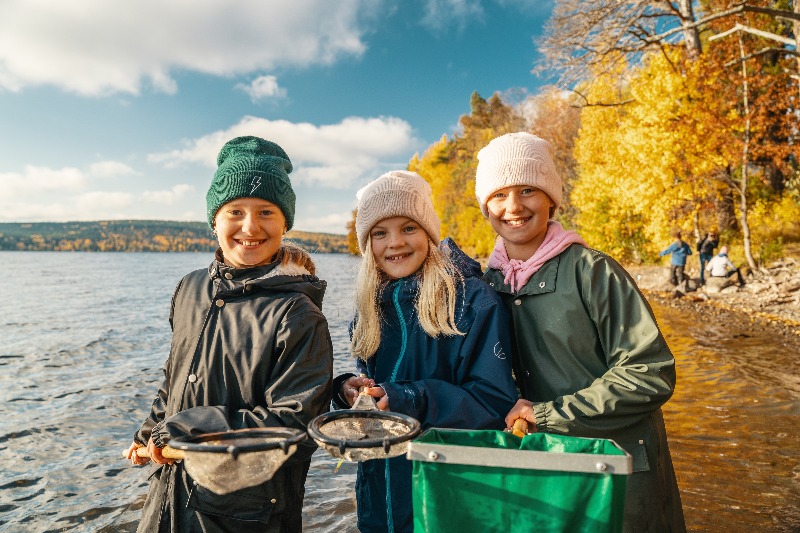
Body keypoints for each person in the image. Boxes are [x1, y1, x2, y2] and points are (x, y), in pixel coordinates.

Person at [476, 132, 685, 532]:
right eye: (499, 195)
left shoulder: (595, 272)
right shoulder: (484, 287)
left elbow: (650, 372)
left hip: (619, 465)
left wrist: (548, 416)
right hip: (544, 467)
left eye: (527, 190)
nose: (514, 207)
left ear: (552, 199)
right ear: (485, 207)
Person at [124, 136, 333, 532]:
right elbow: (175, 376)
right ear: (215, 220)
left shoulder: (298, 314)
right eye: (235, 210)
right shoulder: (190, 288)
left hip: (248, 513)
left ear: (285, 222)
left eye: (266, 212)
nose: (250, 227)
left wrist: (188, 428)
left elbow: (293, 425)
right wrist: (149, 432)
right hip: (170, 497)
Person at [332, 170, 518, 533]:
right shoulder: (370, 308)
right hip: (379, 492)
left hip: (446, 493)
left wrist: (406, 397)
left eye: (408, 228)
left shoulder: (471, 301)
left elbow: (493, 403)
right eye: (380, 233)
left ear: (429, 233)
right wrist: (349, 390)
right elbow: (372, 392)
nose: (395, 243)